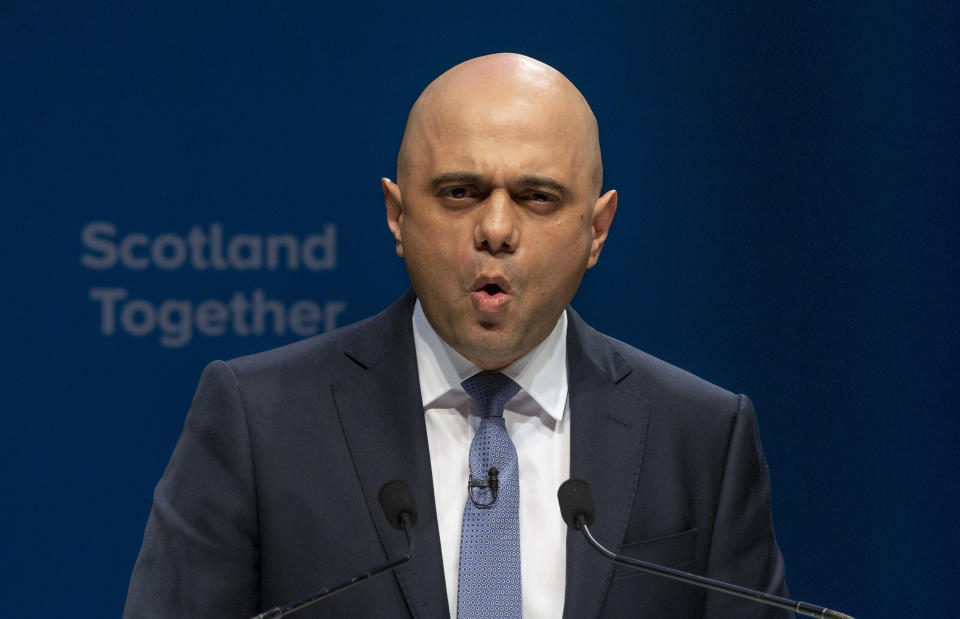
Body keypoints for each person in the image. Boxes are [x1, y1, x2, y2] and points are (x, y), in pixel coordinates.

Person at [124, 53, 789, 618]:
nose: (496, 228)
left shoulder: (700, 437)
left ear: (597, 228)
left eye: (537, 197)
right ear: (397, 213)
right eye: (460, 191)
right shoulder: (257, 423)